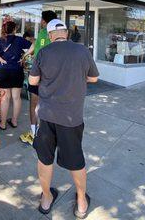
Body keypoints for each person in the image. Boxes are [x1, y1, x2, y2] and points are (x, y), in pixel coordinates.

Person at [29, 19, 99, 216]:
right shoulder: (82, 51)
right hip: (71, 118)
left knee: (44, 159)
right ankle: (81, 203)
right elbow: (93, 78)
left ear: (51, 35)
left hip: (47, 115)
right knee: (76, 160)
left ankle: (46, 199)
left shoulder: (44, 52)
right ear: (66, 33)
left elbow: (33, 80)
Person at [20, 10, 57, 145]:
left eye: (41, 20)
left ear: (44, 21)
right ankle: (49, 134)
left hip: (40, 75)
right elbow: (35, 46)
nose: (40, 22)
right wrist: (26, 55)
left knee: (34, 105)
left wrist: (27, 58)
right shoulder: (58, 35)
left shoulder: (43, 32)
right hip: (53, 76)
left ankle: (34, 134)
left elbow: (38, 51)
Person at [0, 21, 31, 129]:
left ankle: (3, 124)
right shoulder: (20, 39)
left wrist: (0, 58)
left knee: (5, 98)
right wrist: (24, 56)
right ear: (14, 29)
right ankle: (14, 122)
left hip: (4, 71)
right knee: (16, 98)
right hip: (17, 70)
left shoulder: (0, 40)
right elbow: (33, 45)